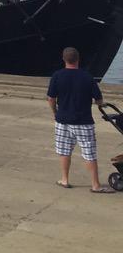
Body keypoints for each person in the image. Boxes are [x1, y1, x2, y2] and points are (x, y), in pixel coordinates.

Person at [47, 47, 111, 192]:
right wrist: (99, 103)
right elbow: (99, 99)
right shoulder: (87, 77)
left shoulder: (57, 76)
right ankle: (95, 184)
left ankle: (65, 179)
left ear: (64, 59)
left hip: (63, 120)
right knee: (89, 153)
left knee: (64, 151)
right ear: (78, 59)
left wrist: (55, 112)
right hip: (84, 121)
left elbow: (51, 98)